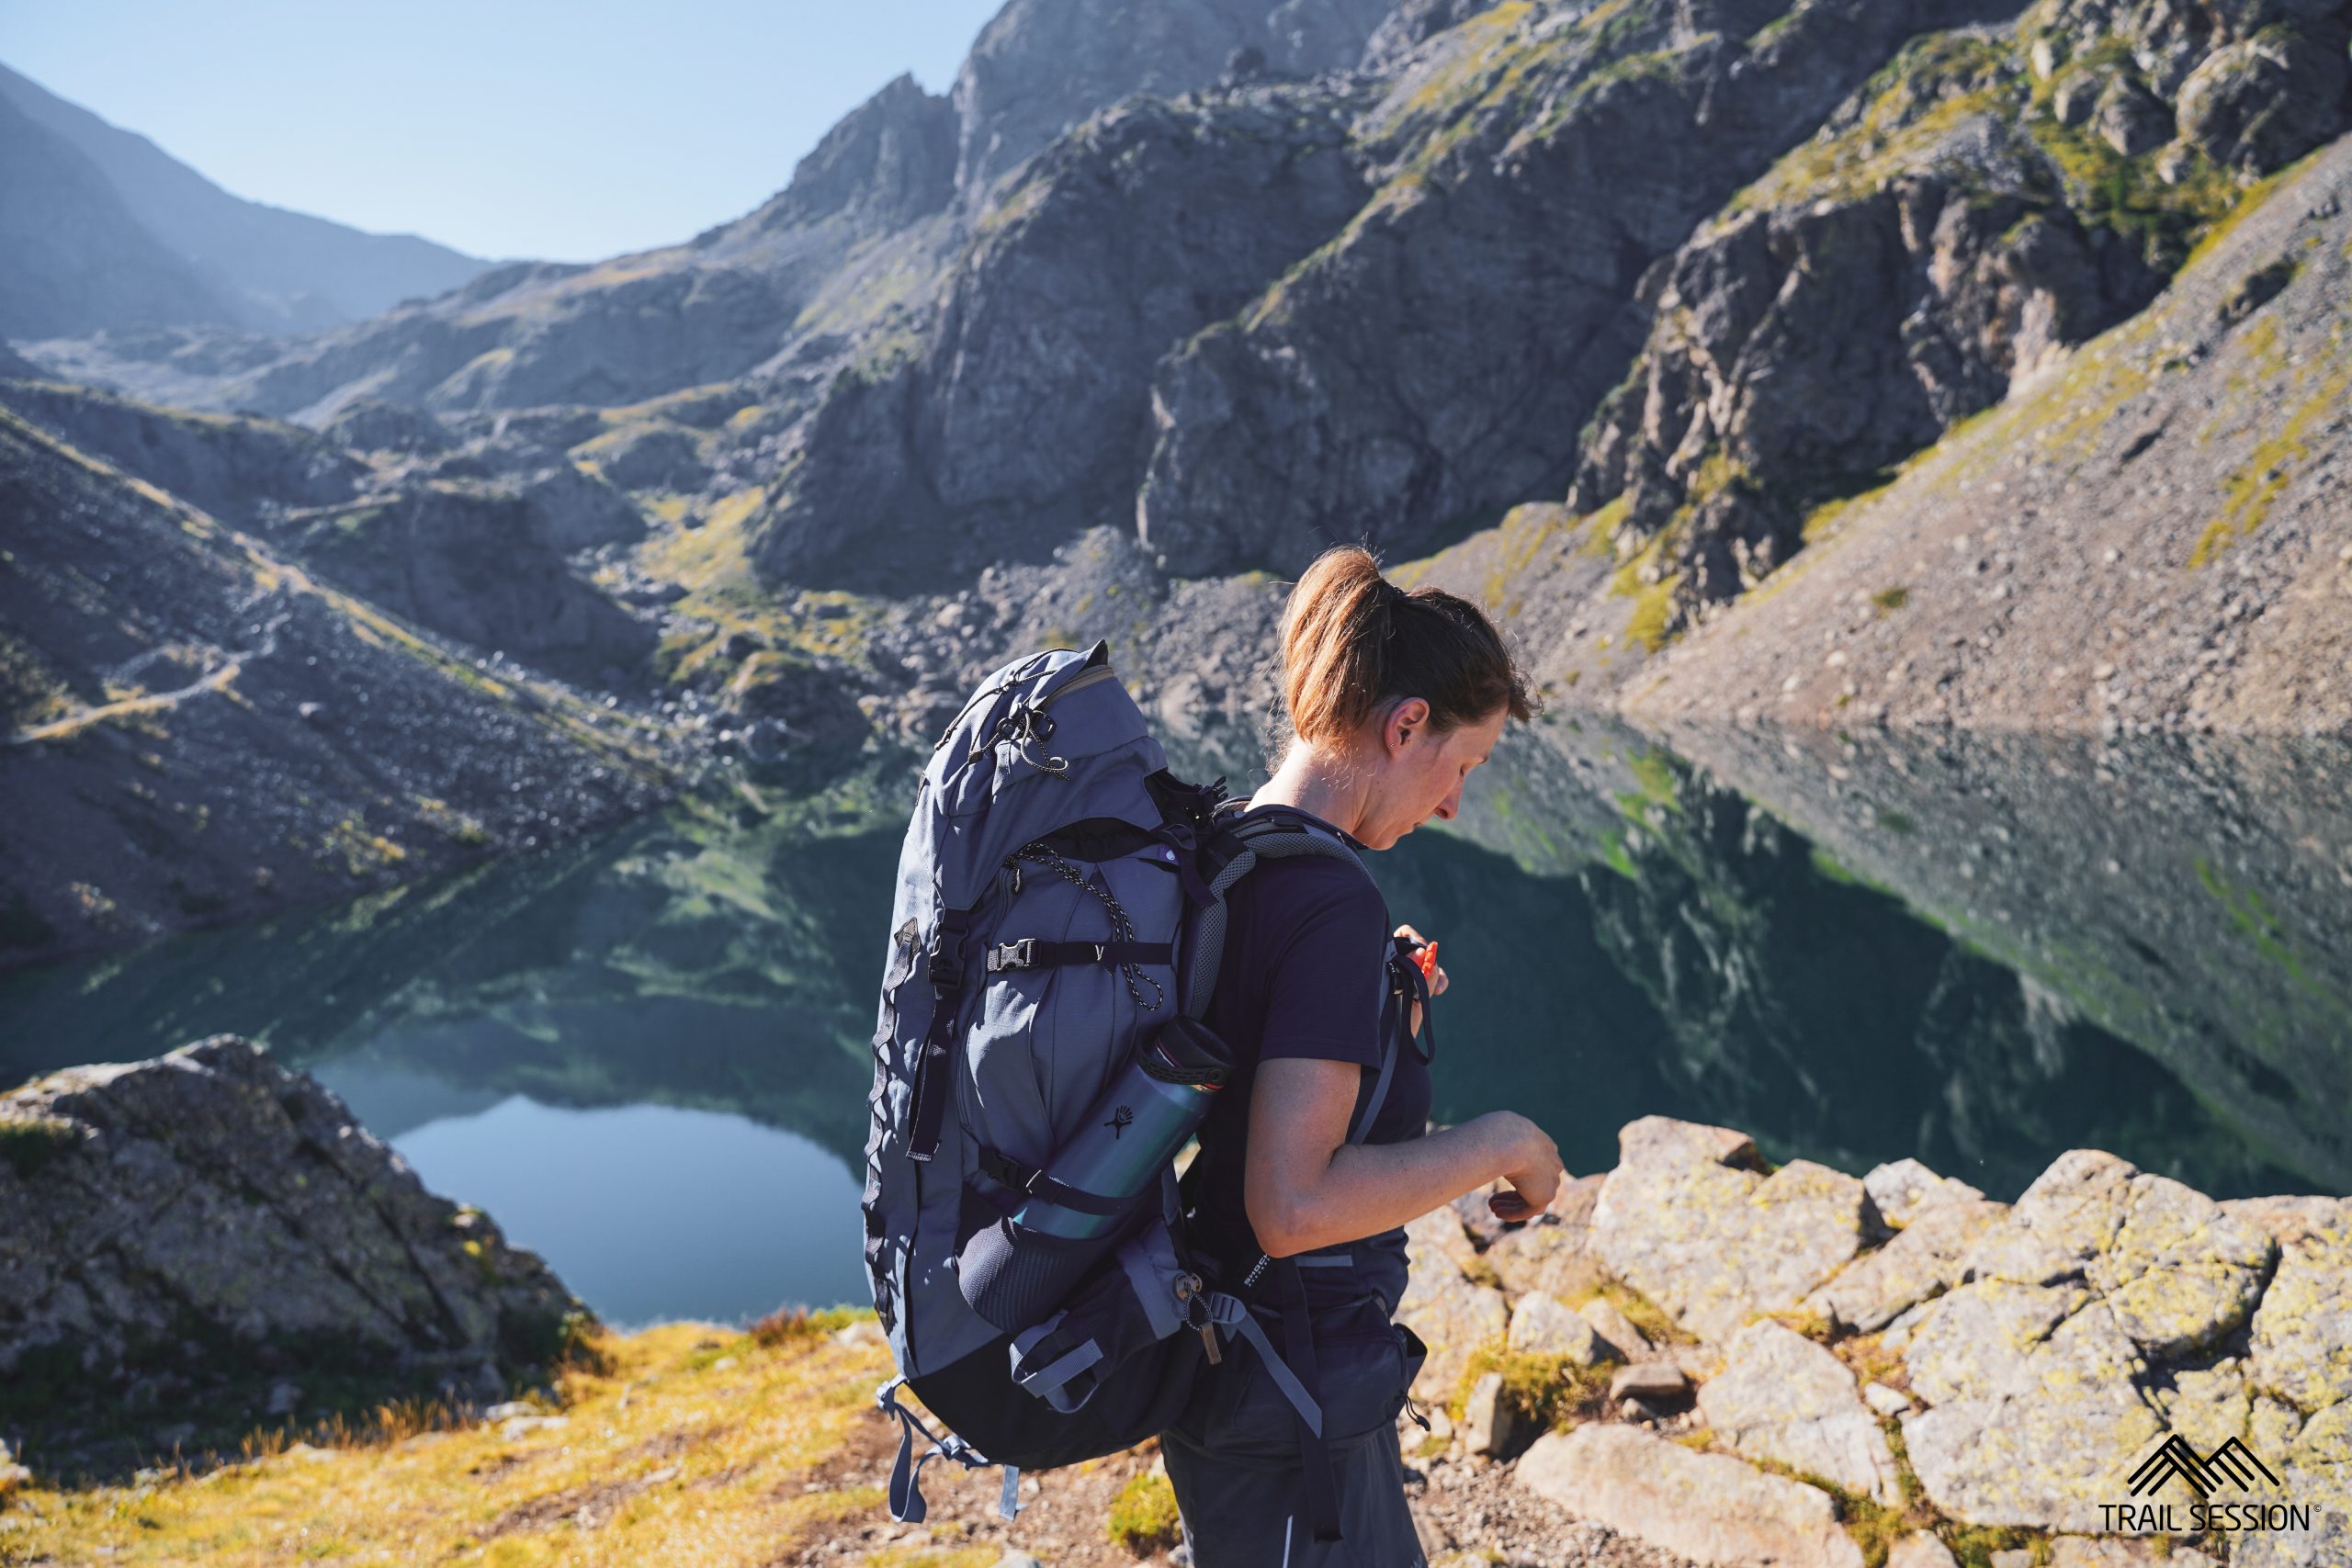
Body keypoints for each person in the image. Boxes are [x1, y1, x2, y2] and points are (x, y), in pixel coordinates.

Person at [1165, 544, 1566, 1565]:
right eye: (1462, 765)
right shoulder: (1329, 900)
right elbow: (1292, 1210)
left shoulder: (1239, 841)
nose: (1453, 805)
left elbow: (1247, 1038)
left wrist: (1368, 996)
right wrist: (1501, 1141)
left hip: (1239, 1372)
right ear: (1404, 725)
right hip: (1292, 1395)